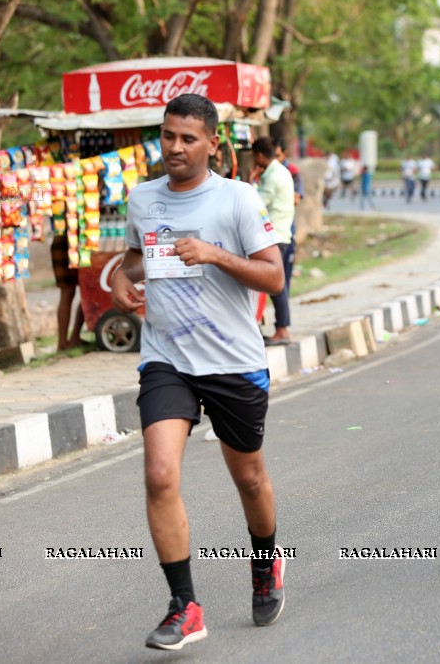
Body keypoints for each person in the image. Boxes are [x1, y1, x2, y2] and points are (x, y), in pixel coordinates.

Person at [110, 94, 287, 651]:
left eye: (188, 138)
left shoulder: (236, 198)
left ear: (213, 143)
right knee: (160, 474)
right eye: (168, 136)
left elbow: (273, 277)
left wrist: (214, 255)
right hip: (167, 358)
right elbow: (137, 256)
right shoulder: (143, 198)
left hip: (233, 360)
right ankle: (183, 605)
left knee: (249, 478)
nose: (176, 148)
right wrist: (119, 276)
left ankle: (265, 561)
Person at [255, 136, 297, 345]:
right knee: (275, 285)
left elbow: (258, 205)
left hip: (275, 236)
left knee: (274, 286)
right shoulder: (281, 171)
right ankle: (280, 328)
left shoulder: (272, 176)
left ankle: (282, 330)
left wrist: (250, 183)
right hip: (282, 234)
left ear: (260, 155)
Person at [51, 232, 84, 350]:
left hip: (66, 239)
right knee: (79, 292)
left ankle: (70, 339)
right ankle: (64, 341)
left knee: (80, 292)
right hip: (81, 240)